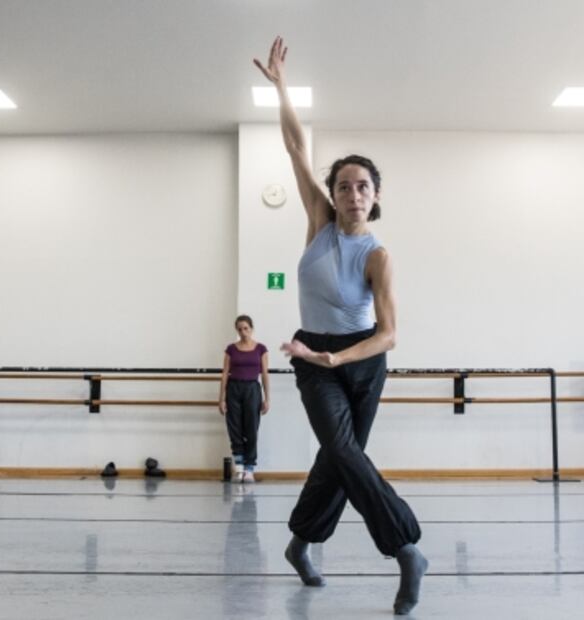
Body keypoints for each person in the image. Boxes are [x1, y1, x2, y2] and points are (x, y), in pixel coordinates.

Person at [254, 36, 427, 616]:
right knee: (344, 451)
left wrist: (341, 360)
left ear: (375, 198)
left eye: (363, 186)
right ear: (332, 194)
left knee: (338, 456)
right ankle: (406, 549)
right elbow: (295, 146)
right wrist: (280, 86)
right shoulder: (318, 224)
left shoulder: (379, 255)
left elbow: (389, 334)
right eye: (344, 185)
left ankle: (301, 543)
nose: (352, 193)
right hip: (314, 356)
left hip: (360, 360)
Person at [219, 314, 270, 483]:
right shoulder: (231, 349)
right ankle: (239, 467)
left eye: (246, 328)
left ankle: (250, 468)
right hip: (234, 388)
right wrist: (221, 399)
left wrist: (267, 398)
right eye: (240, 329)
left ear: (251, 328)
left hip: (252, 390)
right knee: (234, 427)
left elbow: (264, 374)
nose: (243, 332)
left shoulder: (260, 348)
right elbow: (225, 373)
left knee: (251, 428)